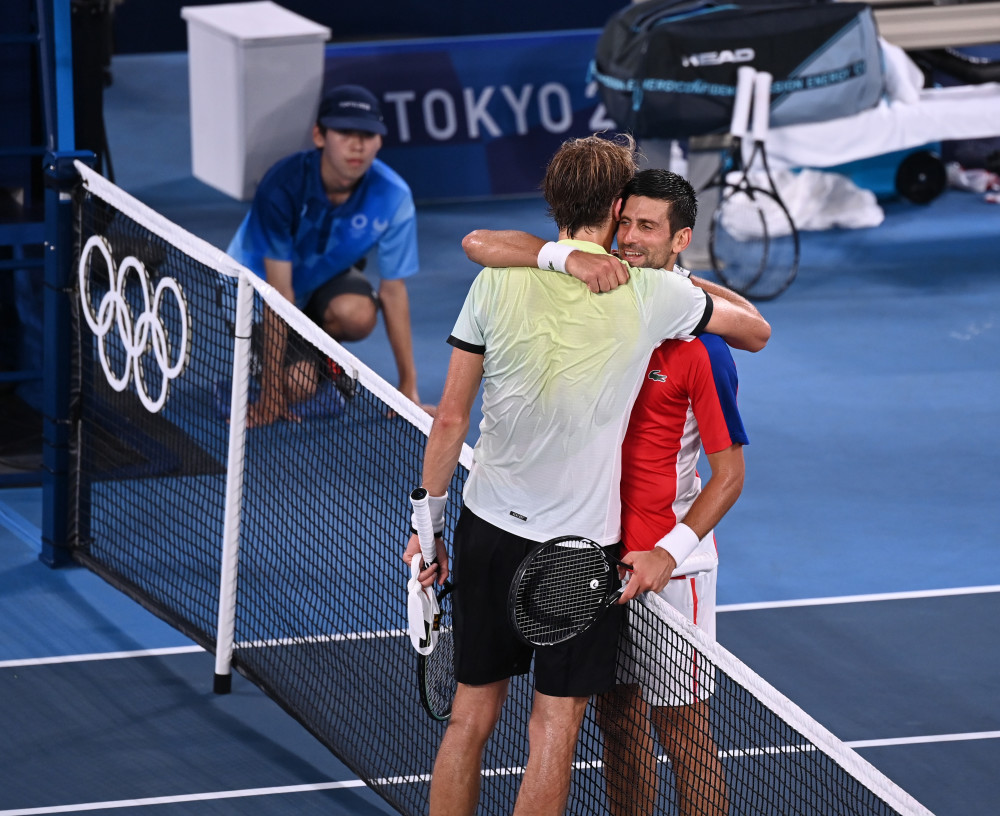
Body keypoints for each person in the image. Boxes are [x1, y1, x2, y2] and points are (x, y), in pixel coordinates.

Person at [403, 137, 769, 816]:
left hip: (484, 528)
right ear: (617, 206)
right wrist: (682, 276)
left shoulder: (497, 277)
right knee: (554, 730)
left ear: (553, 199)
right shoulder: (652, 294)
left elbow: (450, 418)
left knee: (468, 721)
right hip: (576, 551)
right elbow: (756, 330)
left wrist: (427, 528)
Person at [227, 84, 428, 426]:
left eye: (368, 134)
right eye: (345, 132)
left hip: (321, 278)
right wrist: (272, 395)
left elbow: (393, 291)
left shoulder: (392, 196)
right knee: (298, 386)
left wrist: (408, 388)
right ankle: (294, 364)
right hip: (255, 291)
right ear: (319, 136)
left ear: (379, 141)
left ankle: (321, 357)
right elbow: (279, 294)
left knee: (359, 315)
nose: (358, 145)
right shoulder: (282, 186)